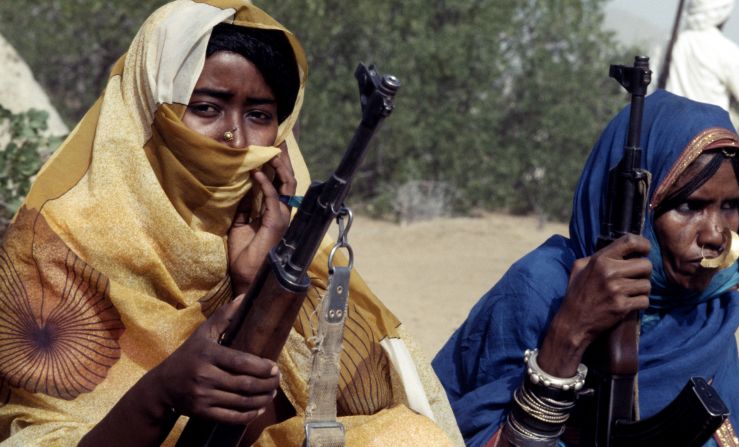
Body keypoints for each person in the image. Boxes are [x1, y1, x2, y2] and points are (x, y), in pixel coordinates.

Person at [0, 1, 462, 446]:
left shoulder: (285, 239)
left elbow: (289, 421)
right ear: (149, 107)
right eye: (206, 107)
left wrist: (255, 286)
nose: (234, 137)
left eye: (259, 115)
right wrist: (159, 394)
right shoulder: (56, 244)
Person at [432, 90, 739, 446]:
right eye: (689, 206)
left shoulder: (711, 314)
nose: (715, 234)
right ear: (642, 213)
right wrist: (568, 335)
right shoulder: (542, 288)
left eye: (730, 206)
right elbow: (462, 435)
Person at [663, 0, 739, 128]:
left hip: (666, 122)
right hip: (706, 131)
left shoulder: (670, 41)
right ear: (722, 15)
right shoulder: (726, 49)